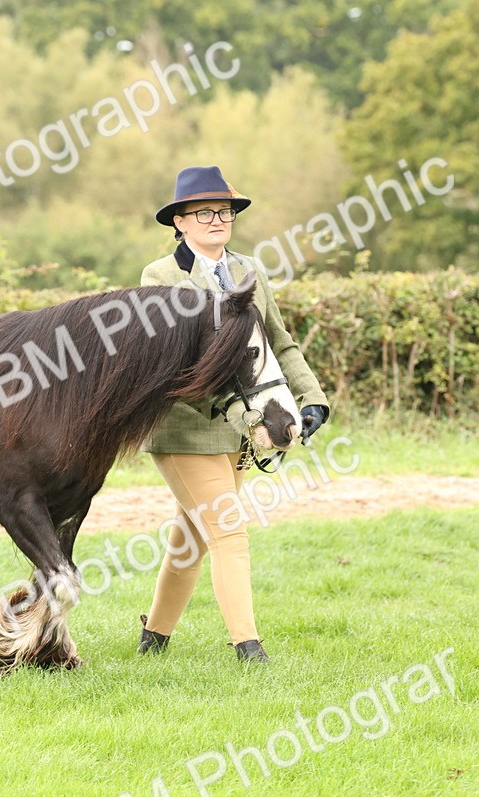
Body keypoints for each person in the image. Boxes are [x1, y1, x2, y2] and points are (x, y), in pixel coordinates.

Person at [136, 165, 330, 663]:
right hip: (185, 429)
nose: (217, 220)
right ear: (179, 222)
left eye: (224, 212)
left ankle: (153, 639)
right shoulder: (160, 277)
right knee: (228, 529)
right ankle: (249, 648)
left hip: (243, 434)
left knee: (191, 539)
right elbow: (169, 362)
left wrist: (310, 399)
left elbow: (277, 342)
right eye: (204, 213)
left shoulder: (249, 272)